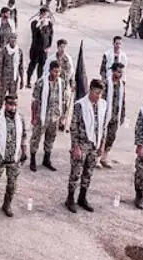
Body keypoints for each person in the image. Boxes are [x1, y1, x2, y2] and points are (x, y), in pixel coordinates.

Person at [66, 79, 106, 213]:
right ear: (90, 89)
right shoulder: (80, 105)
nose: (98, 96)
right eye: (96, 92)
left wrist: (102, 145)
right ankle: (70, 199)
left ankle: (82, 198)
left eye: (100, 93)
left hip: (94, 145)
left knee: (88, 173)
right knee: (75, 173)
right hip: (82, 144)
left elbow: (102, 126)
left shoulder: (102, 105)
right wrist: (75, 146)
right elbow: (74, 127)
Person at [0, 94, 27, 218]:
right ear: (5, 104)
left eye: (14, 105)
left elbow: (24, 136)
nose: (12, 107)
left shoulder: (20, 118)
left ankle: (7, 205)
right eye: (10, 104)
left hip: (14, 158)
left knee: (12, 184)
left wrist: (24, 151)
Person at [30, 61, 66, 172]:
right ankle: (32, 160)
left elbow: (63, 101)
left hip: (54, 117)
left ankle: (47, 160)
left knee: (50, 138)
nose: (57, 73)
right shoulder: (41, 82)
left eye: (58, 71)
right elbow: (35, 101)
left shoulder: (61, 83)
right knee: (36, 138)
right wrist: (34, 117)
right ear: (50, 70)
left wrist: (62, 117)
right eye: (55, 71)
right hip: (42, 116)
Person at [100, 63, 126, 168]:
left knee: (111, 137)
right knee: (101, 137)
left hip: (115, 115)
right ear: (113, 71)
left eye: (121, 72)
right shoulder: (105, 84)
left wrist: (122, 114)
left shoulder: (121, 85)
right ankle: (97, 157)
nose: (120, 74)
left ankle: (104, 157)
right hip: (105, 115)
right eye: (118, 72)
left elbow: (122, 100)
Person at [0, 33, 24, 113]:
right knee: (0, 100)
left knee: (12, 100)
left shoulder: (19, 51)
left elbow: (21, 66)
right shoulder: (4, 50)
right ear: (9, 39)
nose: (13, 40)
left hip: (14, 80)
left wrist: (22, 79)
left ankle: (11, 116)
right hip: (4, 79)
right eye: (12, 38)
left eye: (15, 38)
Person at [26, 7, 53, 88]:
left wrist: (49, 46)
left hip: (44, 50)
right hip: (35, 48)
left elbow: (50, 36)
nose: (45, 16)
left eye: (46, 14)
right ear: (40, 14)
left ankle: (38, 81)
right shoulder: (35, 23)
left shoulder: (49, 24)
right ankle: (28, 80)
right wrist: (40, 26)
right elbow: (34, 34)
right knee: (33, 64)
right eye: (43, 14)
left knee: (41, 66)